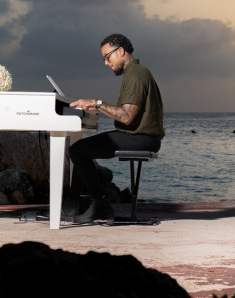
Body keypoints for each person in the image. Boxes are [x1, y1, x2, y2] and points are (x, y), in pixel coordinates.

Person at [64, 33, 164, 224]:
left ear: (121, 51)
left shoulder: (136, 75)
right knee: (82, 148)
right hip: (138, 135)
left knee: (78, 150)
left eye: (107, 57)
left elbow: (126, 116)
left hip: (142, 138)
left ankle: (97, 204)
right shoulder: (134, 73)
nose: (106, 63)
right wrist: (96, 106)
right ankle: (75, 203)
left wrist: (97, 103)